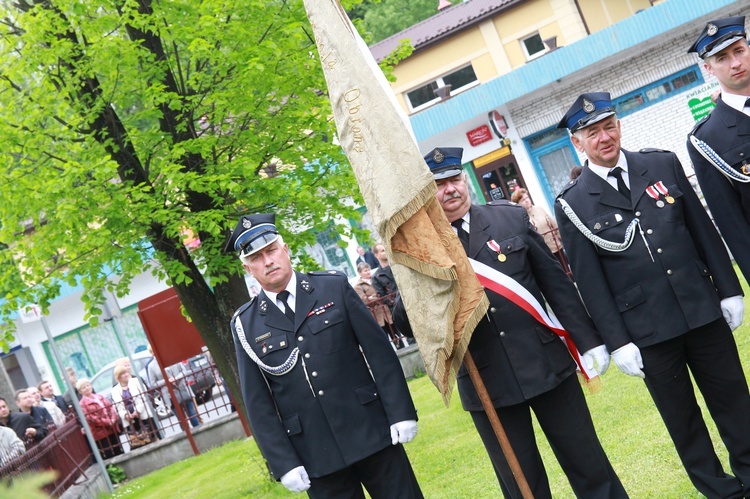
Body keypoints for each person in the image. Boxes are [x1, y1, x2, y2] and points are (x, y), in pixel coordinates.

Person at [400, 147, 626, 498]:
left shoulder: (508, 218)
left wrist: (588, 340)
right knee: (523, 488)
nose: (451, 190)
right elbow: (405, 322)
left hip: (547, 364)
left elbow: (556, 285)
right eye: (439, 184)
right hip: (488, 384)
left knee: (590, 467)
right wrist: (409, 262)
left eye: (455, 179)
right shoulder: (423, 249)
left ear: (465, 180)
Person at [555, 92, 750, 498]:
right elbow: (590, 283)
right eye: (592, 132)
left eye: (609, 126)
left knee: (735, 403)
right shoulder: (573, 204)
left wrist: (728, 289)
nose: (604, 137)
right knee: (684, 423)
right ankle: (722, 492)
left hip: (701, 308)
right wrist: (617, 341)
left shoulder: (660, 163)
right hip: (647, 332)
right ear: (577, 142)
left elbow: (701, 230)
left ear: (618, 125)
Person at [228, 213, 422, 498]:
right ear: (248, 269)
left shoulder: (332, 287)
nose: (267, 261)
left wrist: (401, 412)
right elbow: (258, 404)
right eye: (256, 257)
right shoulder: (246, 324)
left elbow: (379, 353)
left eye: (271, 250)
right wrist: (284, 463)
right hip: (316, 454)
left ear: (286, 250)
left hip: (371, 429)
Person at [686, 16, 750, 283]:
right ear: (708, 69)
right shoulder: (706, 140)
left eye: (739, 50)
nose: (735, 63)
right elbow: (733, 225)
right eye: (722, 58)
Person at [146, 348, 201, 428]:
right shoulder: (151, 366)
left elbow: (184, 371)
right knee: (181, 419)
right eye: (153, 351)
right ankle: (188, 434)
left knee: (192, 413)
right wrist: (166, 381)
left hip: (182, 389)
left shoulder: (173, 357)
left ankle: (198, 429)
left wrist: (176, 378)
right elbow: (153, 384)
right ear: (151, 353)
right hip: (169, 395)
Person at [510, 188, 565, 264]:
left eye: (527, 198)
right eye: (523, 200)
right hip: (543, 254)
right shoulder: (521, 218)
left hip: (557, 247)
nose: (526, 200)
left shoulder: (539, 209)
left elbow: (554, 225)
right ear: (518, 204)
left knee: (567, 272)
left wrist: (564, 240)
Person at [111, 364, 158, 446]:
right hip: (129, 420)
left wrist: (137, 411)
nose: (126, 374)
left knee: (151, 437)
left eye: (126, 372)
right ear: (118, 377)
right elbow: (117, 406)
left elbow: (143, 396)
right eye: (123, 373)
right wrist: (125, 415)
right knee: (138, 442)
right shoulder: (114, 390)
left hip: (143, 414)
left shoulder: (136, 381)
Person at [77, 378, 123, 459]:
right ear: (80, 392)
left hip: (112, 428)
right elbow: (91, 418)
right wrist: (108, 422)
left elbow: (110, 408)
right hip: (100, 432)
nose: (87, 388)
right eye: (83, 387)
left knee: (119, 449)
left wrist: (113, 419)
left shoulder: (100, 396)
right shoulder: (82, 404)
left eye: (88, 385)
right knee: (109, 453)